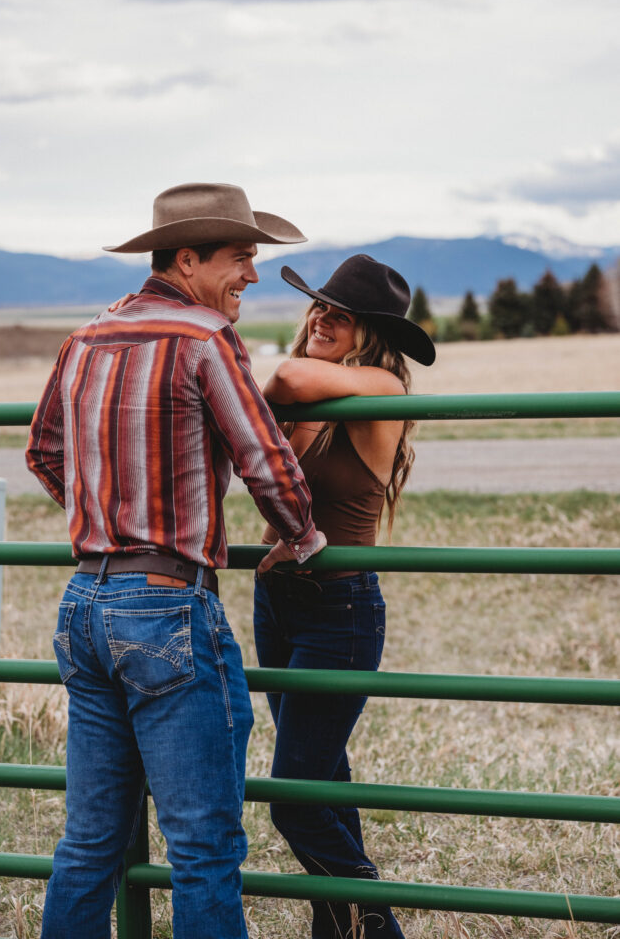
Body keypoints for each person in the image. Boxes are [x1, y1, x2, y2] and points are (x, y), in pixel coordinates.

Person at [26, 182, 326, 939]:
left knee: (91, 841)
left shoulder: (86, 337)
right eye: (241, 258)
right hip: (165, 606)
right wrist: (302, 537)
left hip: (83, 604)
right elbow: (265, 459)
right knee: (203, 845)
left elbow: (43, 451)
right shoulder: (202, 339)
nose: (252, 277)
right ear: (187, 260)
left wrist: (105, 512)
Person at [253, 253, 436, 939]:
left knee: (292, 800)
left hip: (340, 609)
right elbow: (277, 501)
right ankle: (338, 929)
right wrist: (285, 535)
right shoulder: (311, 405)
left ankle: (375, 924)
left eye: (341, 314)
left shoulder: (380, 386)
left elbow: (286, 373)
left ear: (371, 334)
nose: (322, 319)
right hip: (279, 602)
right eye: (318, 307)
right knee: (322, 776)